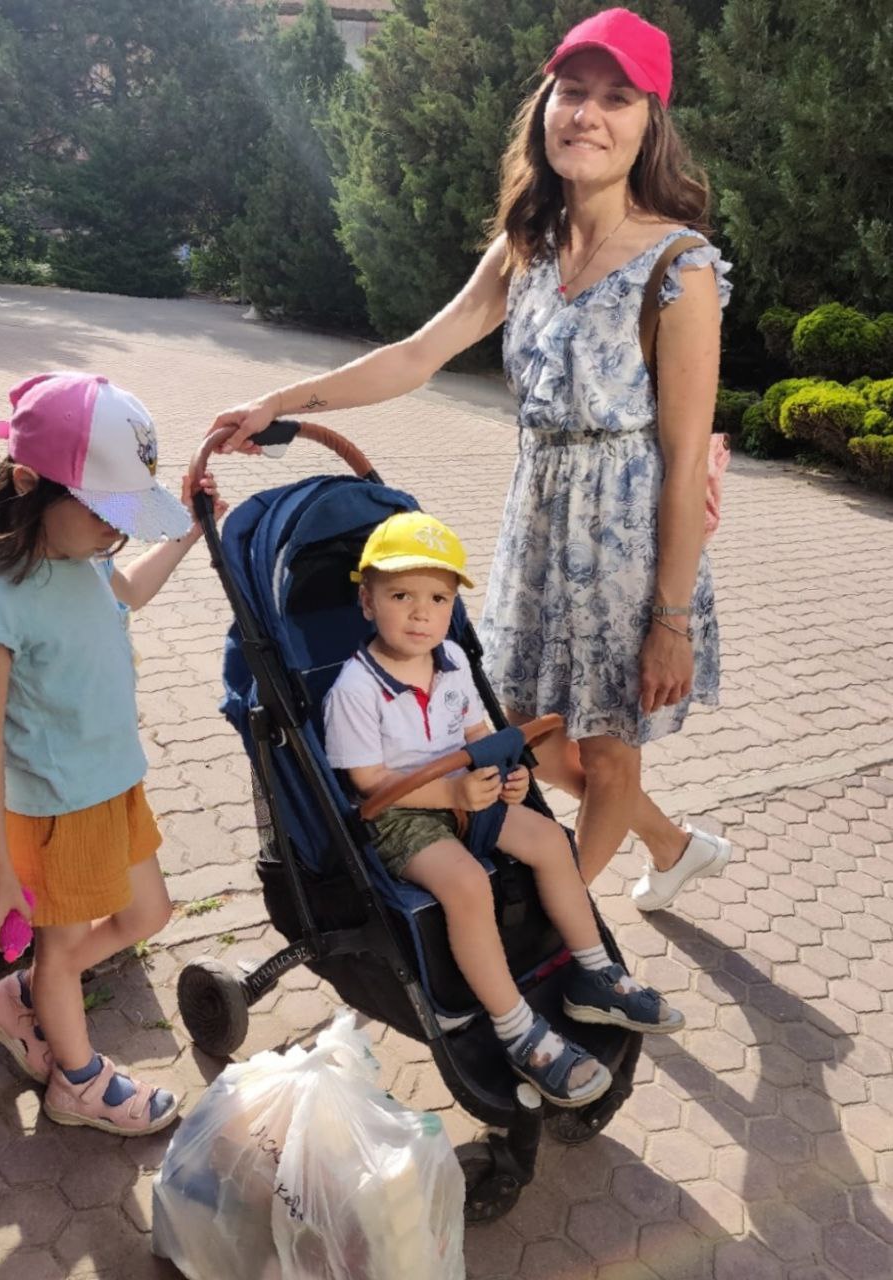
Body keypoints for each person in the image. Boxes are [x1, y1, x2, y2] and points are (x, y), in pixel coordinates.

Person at [208, 8, 732, 908]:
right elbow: (416, 355)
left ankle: (563, 941)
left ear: (650, 124)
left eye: (616, 98)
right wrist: (281, 404)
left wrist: (671, 619)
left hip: (627, 541)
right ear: (545, 107)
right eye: (572, 92)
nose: (587, 114)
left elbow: (684, 462)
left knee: (608, 754)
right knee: (527, 734)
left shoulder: (677, 268)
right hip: (538, 524)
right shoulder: (526, 247)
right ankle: (672, 846)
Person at [324, 511, 683, 1109]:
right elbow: (370, 787)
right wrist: (453, 794)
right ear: (368, 602)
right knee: (467, 884)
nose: (420, 613)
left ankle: (594, 972)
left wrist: (507, 775)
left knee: (551, 840)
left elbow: (477, 735)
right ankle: (517, 1029)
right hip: (399, 815)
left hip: (466, 793)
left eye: (438, 599)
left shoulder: (453, 662)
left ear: (453, 607)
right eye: (401, 596)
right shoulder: (355, 690)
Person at [0, 371, 226, 1136]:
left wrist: (187, 532)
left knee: (150, 912)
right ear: (27, 483)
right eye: (107, 512)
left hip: (114, 787)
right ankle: (75, 1081)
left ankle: (26, 992)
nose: (118, 532)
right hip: (55, 812)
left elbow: (128, 592)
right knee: (64, 949)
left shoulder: (87, 560)